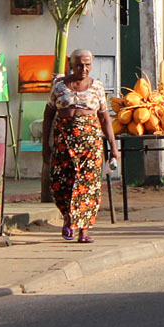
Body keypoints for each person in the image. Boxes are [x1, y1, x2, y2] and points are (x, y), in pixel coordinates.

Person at [41, 49, 118, 243]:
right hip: (64, 140)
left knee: (88, 185)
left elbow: (104, 118)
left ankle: (84, 229)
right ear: (71, 65)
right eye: (79, 65)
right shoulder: (59, 85)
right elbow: (49, 114)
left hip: (90, 143)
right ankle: (68, 217)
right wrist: (45, 143)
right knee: (62, 181)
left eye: (87, 65)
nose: (83, 69)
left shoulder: (97, 87)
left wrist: (114, 148)